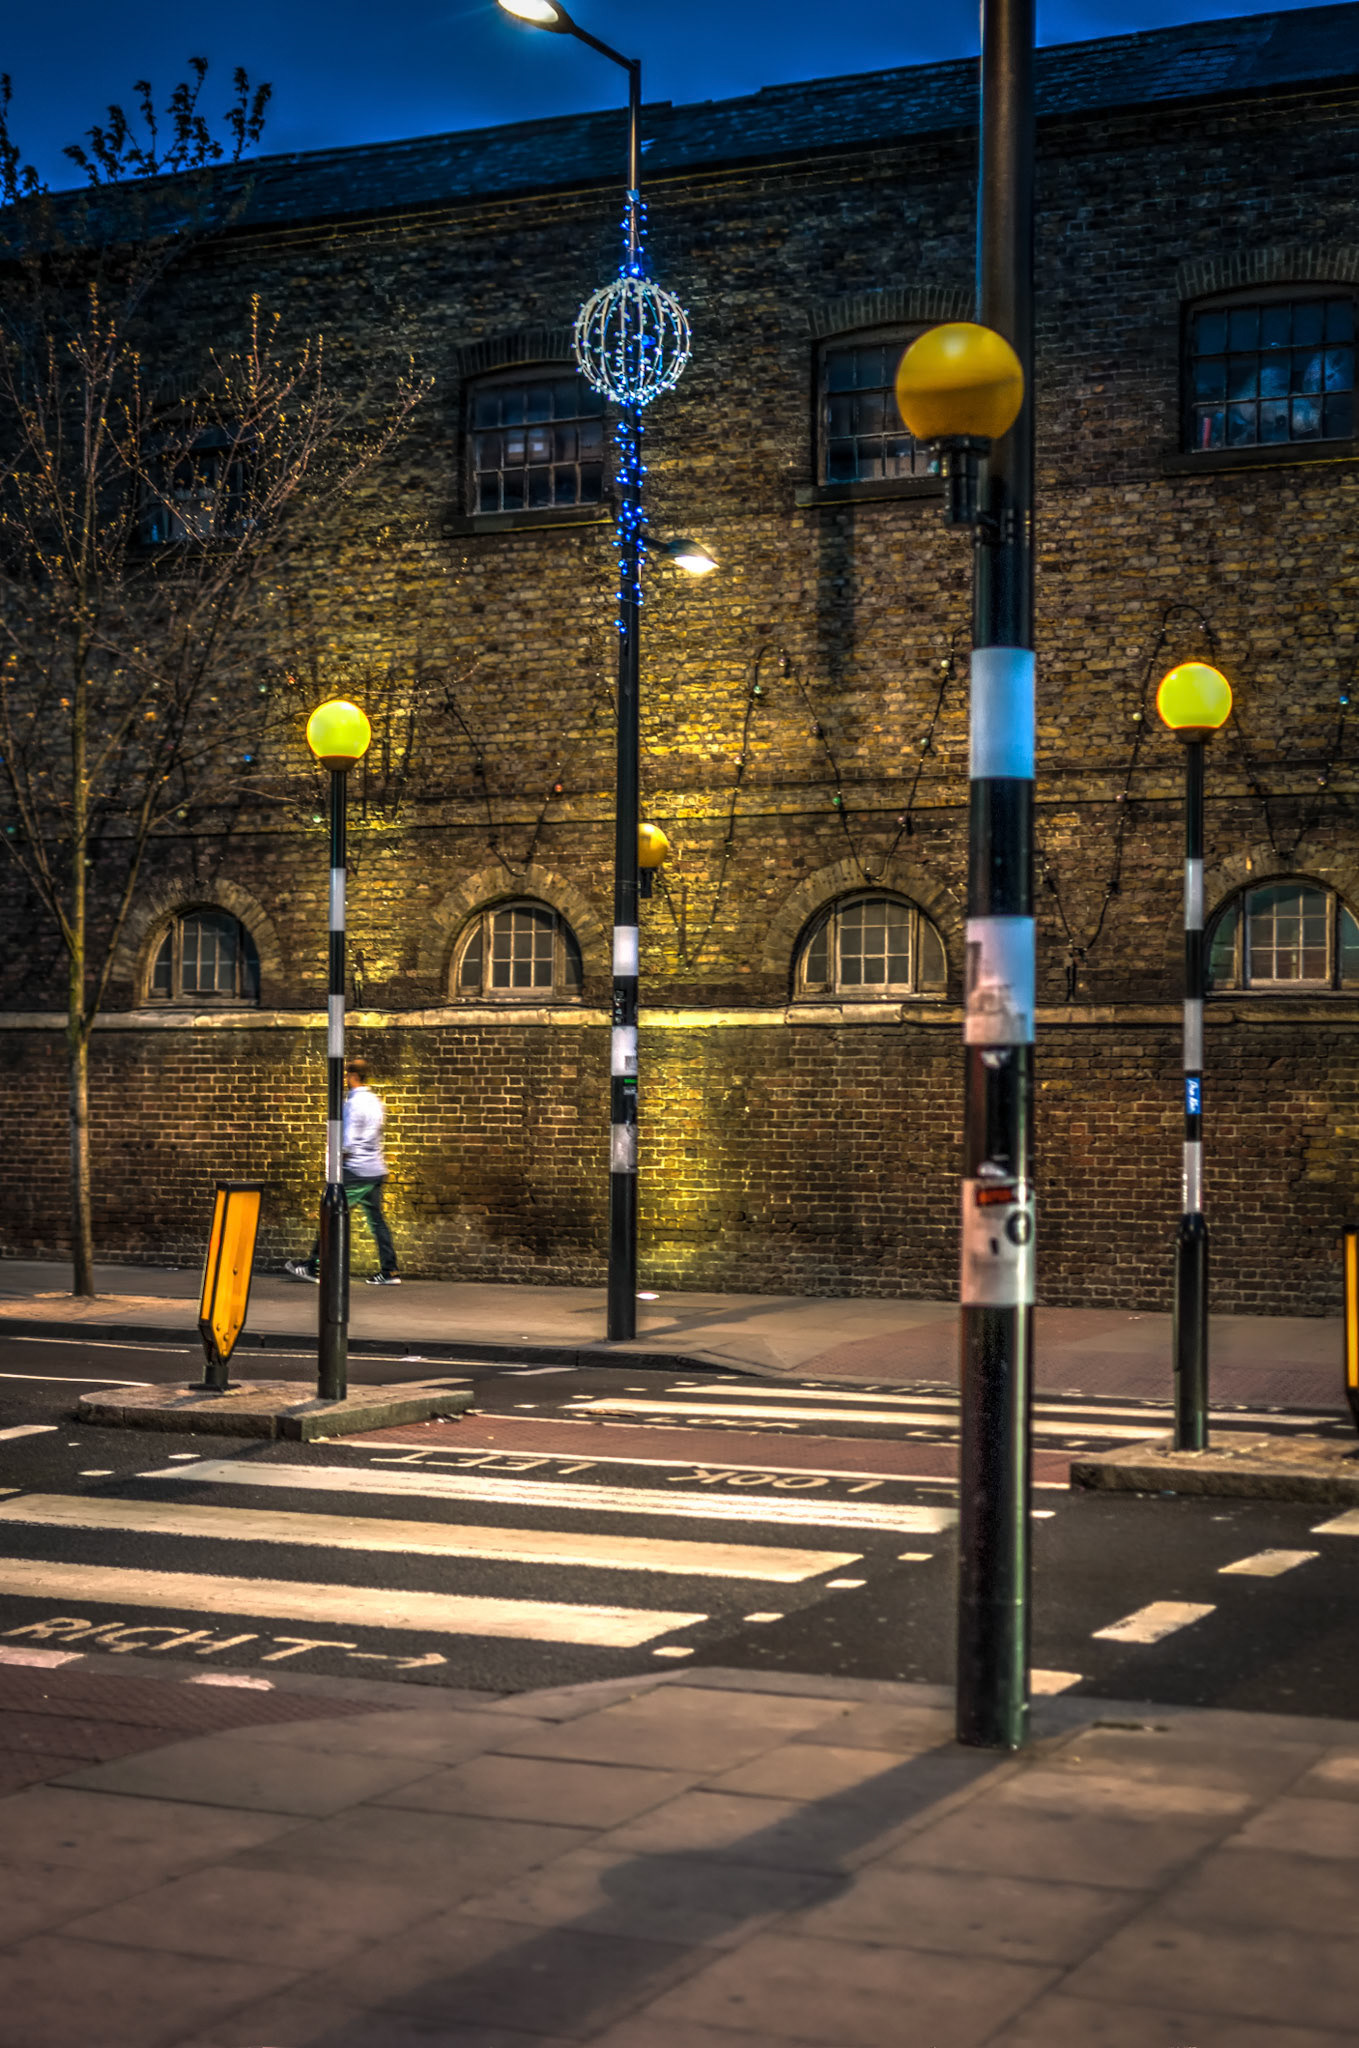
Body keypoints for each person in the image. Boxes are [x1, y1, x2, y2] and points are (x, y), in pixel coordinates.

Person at [286, 1058, 401, 1285]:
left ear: (351, 1076)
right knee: (377, 1222)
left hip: (355, 1172)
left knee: (330, 1214)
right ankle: (390, 1271)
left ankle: (314, 1266)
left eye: (347, 1075)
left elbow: (346, 1144)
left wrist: (335, 1173)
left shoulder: (353, 1104)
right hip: (375, 1170)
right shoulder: (376, 1101)